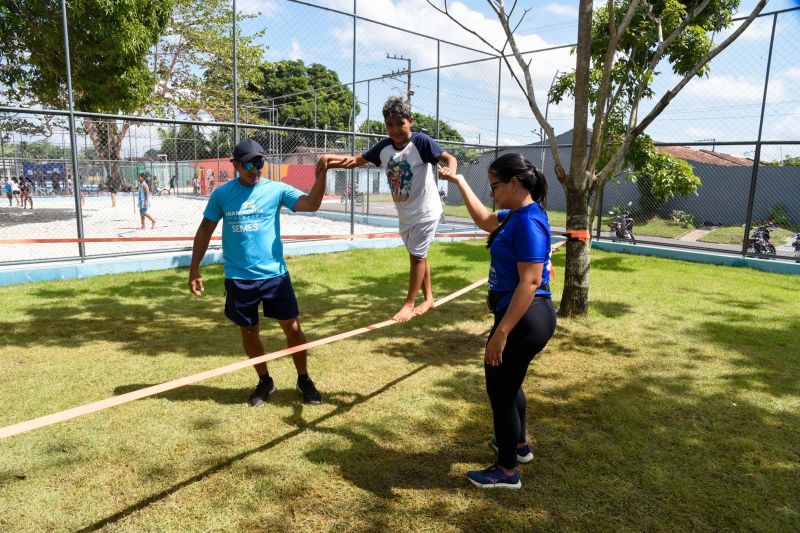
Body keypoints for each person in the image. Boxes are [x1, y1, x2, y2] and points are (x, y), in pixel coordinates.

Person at [189, 138, 342, 407]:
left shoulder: (276, 190)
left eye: (259, 161)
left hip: (275, 276)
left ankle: (304, 378)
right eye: (249, 163)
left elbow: (311, 204)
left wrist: (322, 173)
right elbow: (205, 230)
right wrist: (194, 268)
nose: (255, 167)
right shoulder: (222, 195)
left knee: (293, 328)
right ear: (235, 164)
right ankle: (264, 380)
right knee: (249, 333)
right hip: (239, 278)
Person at [439, 153, 557, 489]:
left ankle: (506, 471)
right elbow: (485, 219)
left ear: (515, 183)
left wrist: (501, 333)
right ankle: (518, 446)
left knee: (501, 390)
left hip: (524, 316)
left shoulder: (527, 221)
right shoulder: (517, 215)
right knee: (511, 382)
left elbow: (531, 281)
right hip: (525, 315)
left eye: (494, 186)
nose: (492, 193)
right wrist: (459, 181)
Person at [322, 96, 458, 322]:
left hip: (426, 210)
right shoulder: (384, 148)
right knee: (419, 255)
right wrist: (328, 160)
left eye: (400, 124)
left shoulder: (421, 142)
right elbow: (355, 161)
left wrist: (450, 171)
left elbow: (448, 158)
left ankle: (409, 303)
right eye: (389, 125)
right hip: (406, 214)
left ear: (410, 121)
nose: (394, 130)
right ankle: (429, 298)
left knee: (416, 256)